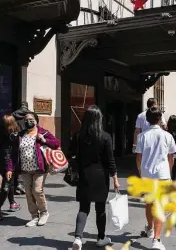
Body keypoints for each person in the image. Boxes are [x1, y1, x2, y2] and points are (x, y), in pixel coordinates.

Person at [69, 105, 120, 250]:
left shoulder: (78, 136)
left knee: (83, 207)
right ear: (99, 119)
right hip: (100, 176)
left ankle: (78, 238)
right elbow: (110, 161)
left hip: (84, 175)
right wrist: (115, 178)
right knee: (100, 208)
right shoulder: (105, 137)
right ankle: (101, 238)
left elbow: (70, 153)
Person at [136, 107, 176, 250]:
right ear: (160, 119)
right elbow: (171, 157)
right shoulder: (167, 136)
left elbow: (138, 157)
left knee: (149, 204)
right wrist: (169, 172)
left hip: (147, 175)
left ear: (147, 120)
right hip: (162, 174)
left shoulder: (142, 136)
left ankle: (150, 228)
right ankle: (156, 239)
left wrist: (141, 172)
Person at [11, 111, 60, 227]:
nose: (28, 121)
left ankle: (44, 213)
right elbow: (13, 153)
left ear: (36, 121)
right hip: (25, 169)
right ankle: (34, 216)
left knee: (37, 191)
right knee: (28, 193)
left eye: (31, 119)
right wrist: (10, 168)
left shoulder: (42, 132)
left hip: (40, 169)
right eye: (26, 120)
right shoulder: (20, 135)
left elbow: (56, 143)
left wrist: (44, 140)